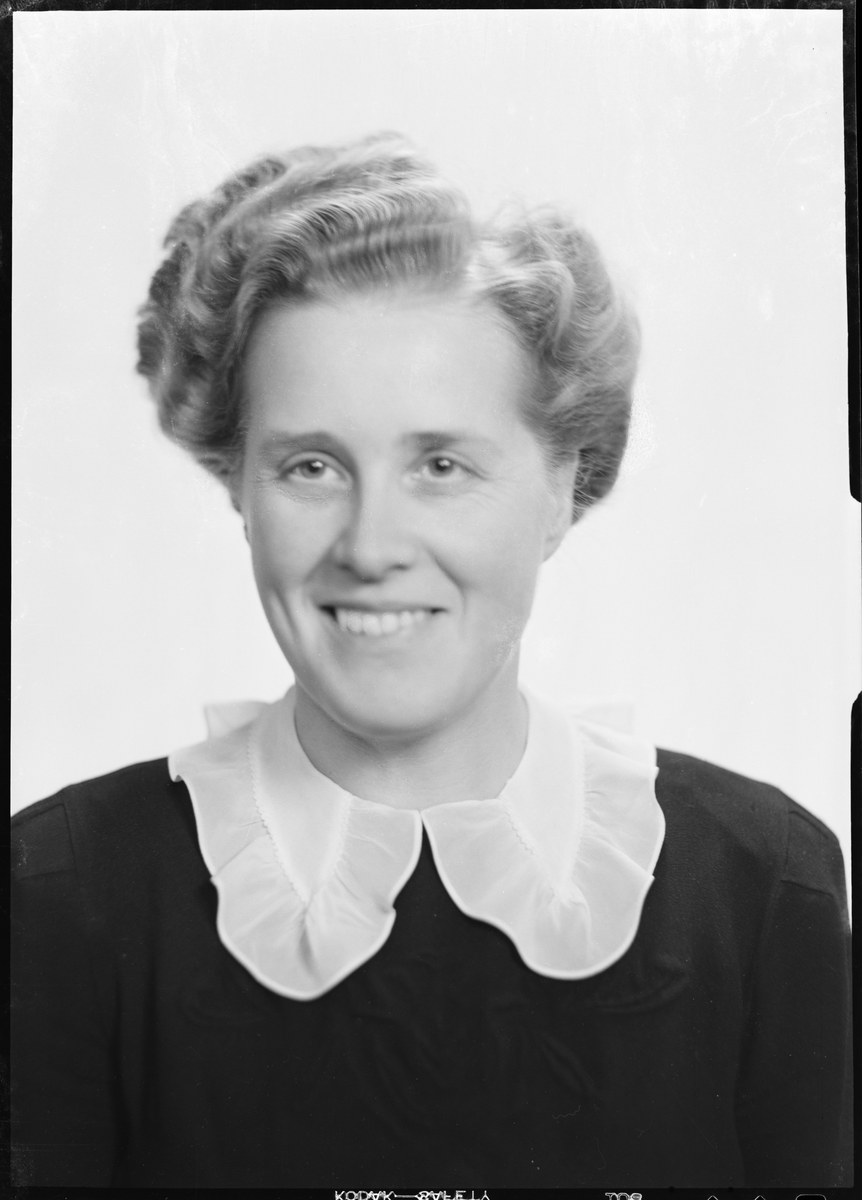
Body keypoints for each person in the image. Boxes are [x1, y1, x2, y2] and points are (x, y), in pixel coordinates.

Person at [11, 133, 852, 1189]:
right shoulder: (61, 893)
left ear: (562, 486)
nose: (370, 547)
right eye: (311, 466)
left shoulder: (761, 886)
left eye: (442, 464)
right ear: (239, 488)